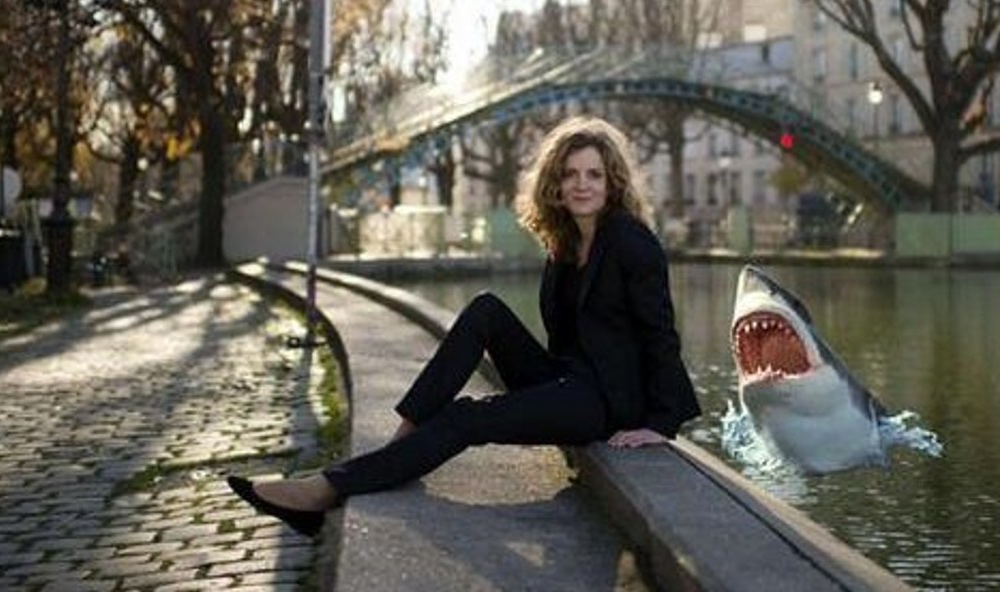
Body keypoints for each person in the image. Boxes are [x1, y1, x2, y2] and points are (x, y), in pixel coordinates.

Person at [227, 116, 701, 536]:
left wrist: (661, 423)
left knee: (466, 416)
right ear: (555, 183)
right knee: (485, 309)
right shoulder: (565, 243)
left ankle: (326, 490)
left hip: (602, 403)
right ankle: (401, 446)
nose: (582, 184)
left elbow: (660, 333)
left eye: (594, 175)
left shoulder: (630, 241)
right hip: (567, 378)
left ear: (612, 182)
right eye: (570, 174)